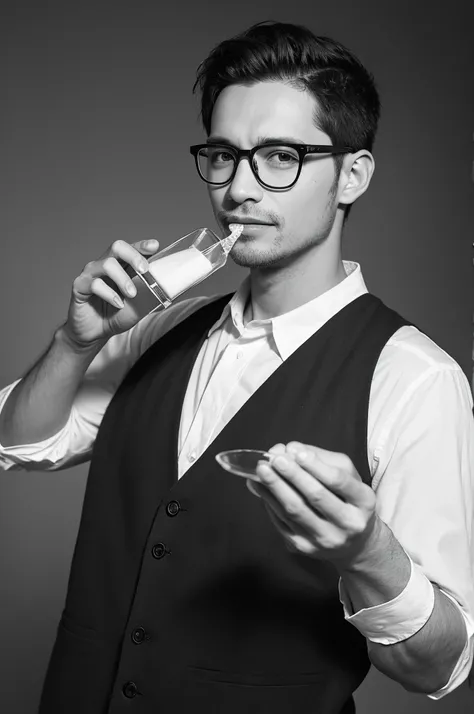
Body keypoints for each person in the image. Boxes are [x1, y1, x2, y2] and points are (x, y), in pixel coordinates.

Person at [0, 20, 473, 714]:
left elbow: (440, 666)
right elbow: (19, 445)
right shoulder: (159, 327)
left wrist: (368, 550)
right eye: (223, 155)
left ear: (352, 175)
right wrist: (75, 346)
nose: (239, 189)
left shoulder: (415, 378)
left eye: (279, 156)